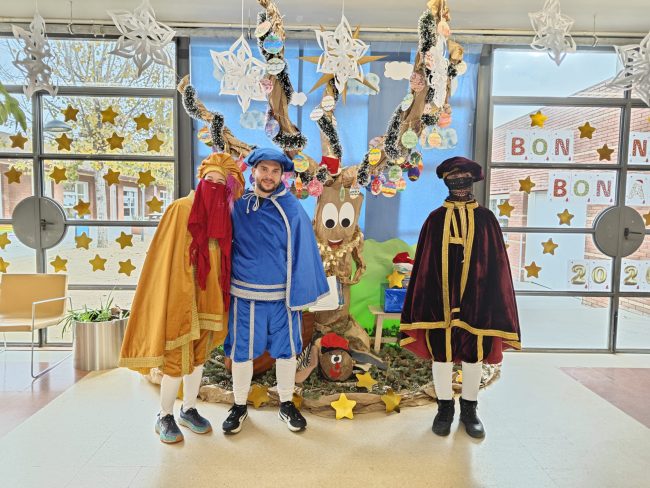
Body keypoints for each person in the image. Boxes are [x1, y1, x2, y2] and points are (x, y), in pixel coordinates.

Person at [119, 153, 244, 444]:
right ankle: (164, 415)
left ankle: (188, 409)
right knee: (176, 360)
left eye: (220, 182)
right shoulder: (180, 209)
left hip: (209, 298)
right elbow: (166, 259)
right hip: (181, 296)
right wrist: (178, 294)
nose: (213, 185)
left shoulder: (224, 215)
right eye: (209, 179)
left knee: (198, 359)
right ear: (201, 180)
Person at [400, 156, 521, 439]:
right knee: (441, 355)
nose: (459, 183)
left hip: (477, 303)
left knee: (473, 356)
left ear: (473, 180)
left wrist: (493, 303)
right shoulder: (435, 219)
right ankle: (444, 409)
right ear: (446, 182)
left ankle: (469, 410)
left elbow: (497, 266)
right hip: (439, 303)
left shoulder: (486, 219)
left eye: (464, 178)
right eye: (453, 178)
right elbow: (424, 267)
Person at [222, 147, 329, 434]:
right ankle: (239, 405)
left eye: (275, 171)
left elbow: (304, 249)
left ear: (282, 175)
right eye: (264, 169)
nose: (269, 176)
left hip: (283, 297)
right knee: (241, 352)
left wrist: (302, 291)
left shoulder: (291, 206)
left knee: (286, 352)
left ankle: (286, 404)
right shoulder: (238, 204)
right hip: (245, 295)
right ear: (253, 171)